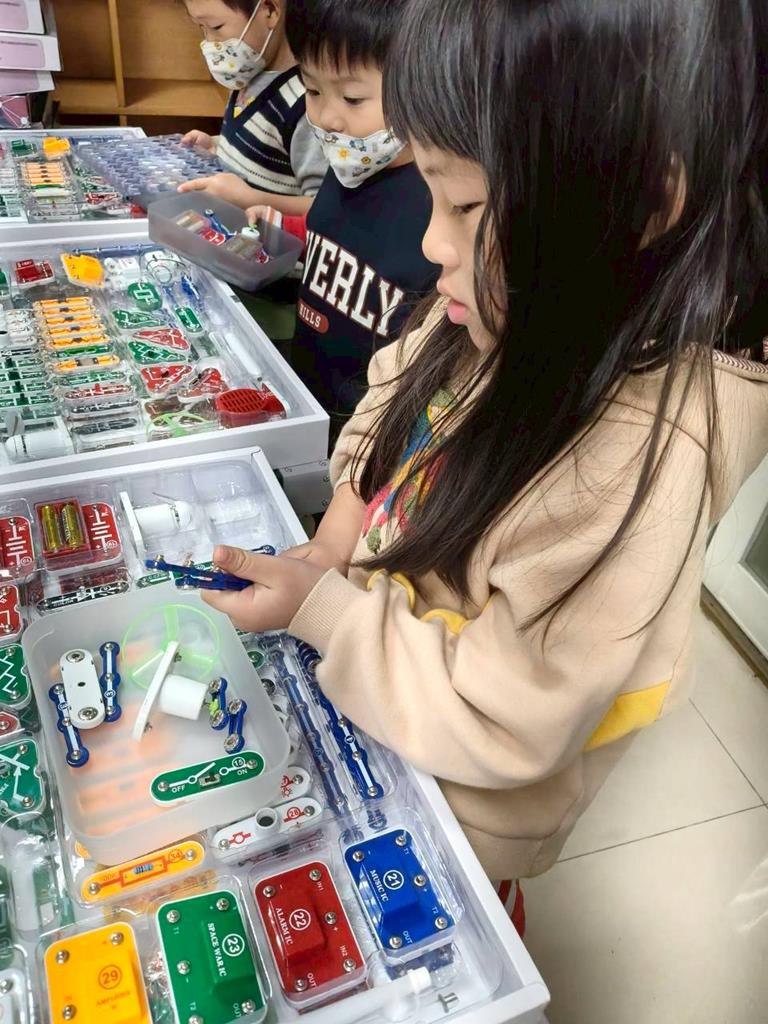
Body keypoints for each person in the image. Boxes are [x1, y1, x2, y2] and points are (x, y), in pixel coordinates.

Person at [201, 0, 768, 917]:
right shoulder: (498, 301)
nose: (431, 242)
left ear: (636, 205)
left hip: (458, 810)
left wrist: (328, 614)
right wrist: (335, 541)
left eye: (465, 205)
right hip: (378, 697)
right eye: (432, 193)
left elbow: (503, 721)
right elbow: (391, 392)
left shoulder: (632, 467)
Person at [246, 0, 438, 434]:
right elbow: (334, 233)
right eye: (312, 91)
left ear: (421, 85)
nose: (327, 118)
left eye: (352, 98)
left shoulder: (436, 201)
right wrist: (283, 228)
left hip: (367, 428)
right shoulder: (350, 161)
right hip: (306, 393)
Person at [178, 0, 326, 215]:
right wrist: (217, 146)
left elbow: (324, 209)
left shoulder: (306, 104)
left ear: (270, 10)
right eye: (202, 27)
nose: (210, 42)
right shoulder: (247, 76)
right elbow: (265, 154)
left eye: (216, 27)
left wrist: (253, 199)